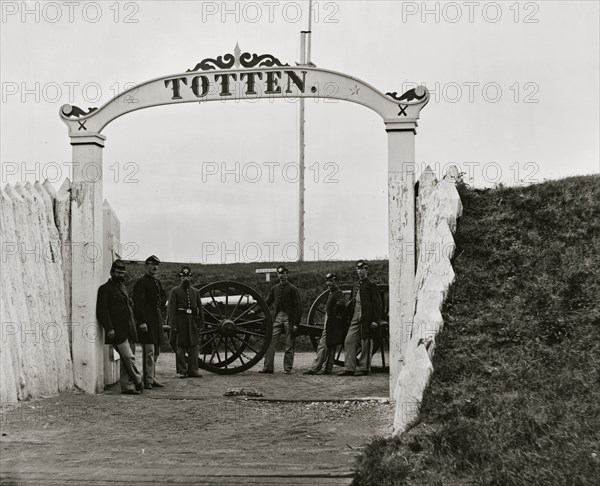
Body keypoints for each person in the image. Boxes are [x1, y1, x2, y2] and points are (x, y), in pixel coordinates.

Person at [96, 259, 144, 395]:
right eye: (117, 273)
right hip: (117, 330)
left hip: (129, 328)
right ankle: (139, 380)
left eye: (122, 273)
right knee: (129, 357)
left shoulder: (122, 287)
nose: (120, 275)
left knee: (125, 360)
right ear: (111, 272)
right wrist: (109, 328)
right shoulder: (104, 289)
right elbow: (102, 311)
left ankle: (127, 387)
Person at [339, 260, 381, 376]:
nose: (360, 271)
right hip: (355, 316)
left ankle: (364, 368)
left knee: (366, 342)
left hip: (367, 317)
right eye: (358, 269)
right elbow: (351, 303)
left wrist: (375, 320)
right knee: (349, 341)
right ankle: (349, 368)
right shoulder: (355, 285)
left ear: (366, 270)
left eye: (362, 269)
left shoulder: (371, 285)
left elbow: (377, 304)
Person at [259, 265, 302, 374]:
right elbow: (267, 303)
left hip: (289, 318)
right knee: (270, 341)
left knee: (289, 344)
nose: (281, 275)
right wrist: (254, 311)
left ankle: (287, 369)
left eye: (283, 273)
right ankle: (268, 368)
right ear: (277, 275)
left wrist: (296, 323)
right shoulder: (275, 288)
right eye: (279, 273)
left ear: (286, 274)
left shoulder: (293, 289)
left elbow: (298, 308)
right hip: (277, 317)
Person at [132, 255, 167, 389]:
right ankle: (147, 380)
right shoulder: (141, 282)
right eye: (151, 264)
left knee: (157, 350)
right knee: (149, 351)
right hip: (146, 320)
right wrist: (142, 321)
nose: (154, 267)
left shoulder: (157, 282)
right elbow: (138, 304)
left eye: (156, 265)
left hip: (156, 320)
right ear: (146, 266)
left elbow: (162, 297)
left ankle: (151, 377)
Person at [303, 273, 346, 375]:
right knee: (331, 345)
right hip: (331, 321)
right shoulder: (332, 293)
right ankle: (327, 368)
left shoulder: (338, 293)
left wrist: (334, 312)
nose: (329, 283)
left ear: (337, 282)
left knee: (322, 345)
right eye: (328, 281)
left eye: (331, 281)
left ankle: (315, 368)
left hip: (332, 322)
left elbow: (342, 303)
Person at [167, 266, 203, 378]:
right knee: (180, 348)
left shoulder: (195, 292)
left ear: (190, 277)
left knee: (194, 347)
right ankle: (182, 371)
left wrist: (200, 323)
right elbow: (171, 310)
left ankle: (193, 370)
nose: (185, 278)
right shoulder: (175, 291)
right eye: (183, 277)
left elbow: (200, 309)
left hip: (192, 321)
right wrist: (173, 325)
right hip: (180, 322)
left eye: (187, 276)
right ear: (180, 278)